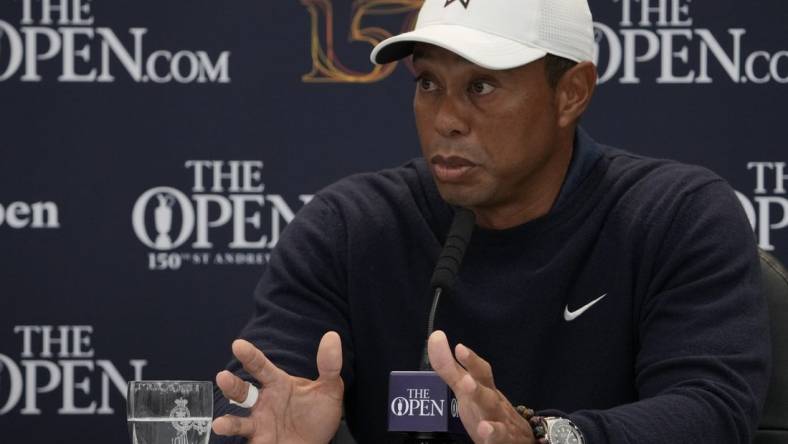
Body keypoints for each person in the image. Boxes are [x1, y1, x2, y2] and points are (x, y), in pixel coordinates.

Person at [211, 0, 771, 442]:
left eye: (480, 86)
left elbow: (710, 412)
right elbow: (273, 403)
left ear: (570, 93)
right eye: (428, 83)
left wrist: (544, 438)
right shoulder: (349, 226)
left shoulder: (675, 214)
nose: (447, 120)